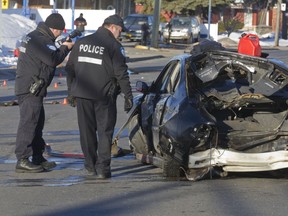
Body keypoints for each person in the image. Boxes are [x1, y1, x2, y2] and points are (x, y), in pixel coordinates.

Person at [65, 14, 133, 179]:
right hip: (104, 96)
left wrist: (71, 91)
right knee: (105, 132)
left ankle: (90, 165)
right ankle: (103, 168)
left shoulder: (82, 43)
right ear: (112, 27)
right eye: (120, 31)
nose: (120, 34)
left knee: (86, 132)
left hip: (82, 94)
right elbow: (121, 74)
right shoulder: (113, 46)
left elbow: (70, 68)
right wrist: (128, 96)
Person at [14, 13, 74, 173]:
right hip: (30, 88)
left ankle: (37, 156)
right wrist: (65, 48)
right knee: (29, 123)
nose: (60, 34)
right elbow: (53, 59)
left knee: (37, 123)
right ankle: (22, 159)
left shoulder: (34, 36)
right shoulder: (40, 40)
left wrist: (58, 46)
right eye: (59, 32)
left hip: (32, 87)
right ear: (53, 29)